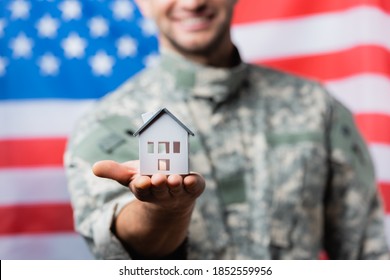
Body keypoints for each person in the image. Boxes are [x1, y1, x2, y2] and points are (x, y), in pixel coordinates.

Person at [64, 0, 389, 259]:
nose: (192, 2)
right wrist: (166, 210)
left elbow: (367, 253)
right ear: (142, 3)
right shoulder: (108, 122)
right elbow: (119, 248)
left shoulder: (317, 108)